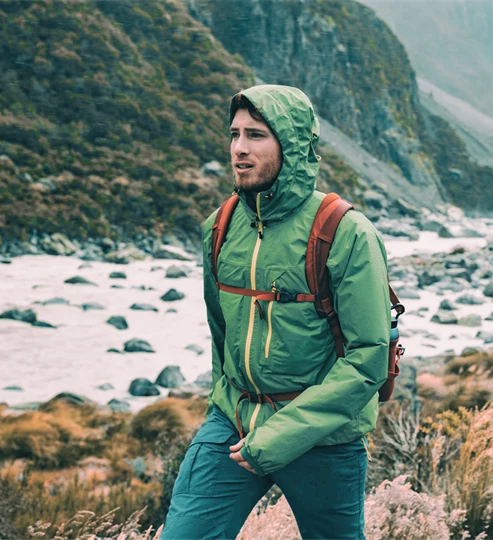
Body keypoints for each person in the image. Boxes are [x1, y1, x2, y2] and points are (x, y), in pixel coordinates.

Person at [161, 85, 390, 539]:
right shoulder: (221, 226)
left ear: (291, 143)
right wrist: (222, 405)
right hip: (233, 424)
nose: (239, 149)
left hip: (323, 439)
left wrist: (279, 436)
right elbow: (220, 332)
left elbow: (369, 357)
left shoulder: (344, 232)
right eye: (234, 135)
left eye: (257, 135)